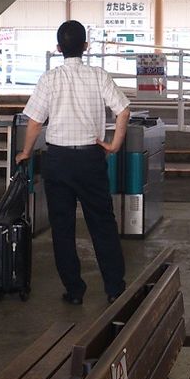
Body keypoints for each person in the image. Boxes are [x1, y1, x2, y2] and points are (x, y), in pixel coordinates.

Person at [15, 20, 130, 305]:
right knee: (102, 223)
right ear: (86, 47)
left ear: (58, 49)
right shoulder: (98, 75)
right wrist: (113, 145)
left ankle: (75, 291)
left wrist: (25, 152)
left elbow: (34, 121)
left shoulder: (49, 79)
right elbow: (124, 110)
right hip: (91, 158)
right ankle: (114, 288)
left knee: (62, 227)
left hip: (59, 160)